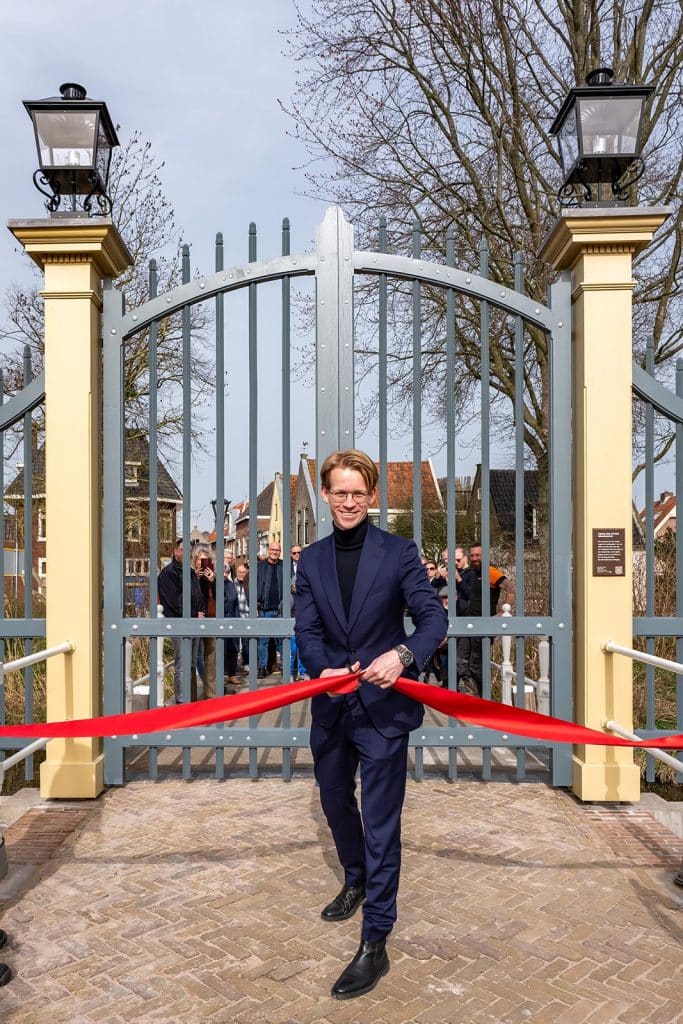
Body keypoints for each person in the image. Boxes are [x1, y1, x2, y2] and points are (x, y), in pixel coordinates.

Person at [295, 449, 447, 1000]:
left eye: (359, 492)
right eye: (340, 492)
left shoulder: (400, 553)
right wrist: (321, 667)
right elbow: (306, 631)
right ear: (327, 496)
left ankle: (375, 942)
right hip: (333, 705)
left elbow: (434, 618)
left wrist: (404, 655)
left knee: (383, 826)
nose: (350, 501)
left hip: (384, 711)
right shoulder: (310, 560)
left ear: (373, 495)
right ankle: (354, 878)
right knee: (336, 802)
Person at [457, 542, 508, 696]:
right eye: (472, 555)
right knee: (460, 661)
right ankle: (474, 696)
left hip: (484, 625)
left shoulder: (491, 572)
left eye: (477, 555)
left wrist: (504, 610)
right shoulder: (473, 573)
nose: (474, 558)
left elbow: (511, 588)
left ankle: (483, 699)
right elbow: (469, 596)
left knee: (476, 665)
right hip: (469, 624)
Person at [157, 539, 205, 703]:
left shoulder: (190, 572)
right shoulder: (168, 574)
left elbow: (198, 594)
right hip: (179, 623)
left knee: (192, 663)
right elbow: (174, 601)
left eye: (189, 550)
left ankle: (190, 698)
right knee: (182, 663)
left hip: (194, 622)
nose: (187, 554)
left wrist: (201, 610)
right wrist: (193, 612)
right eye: (183, 550)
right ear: (175, 551)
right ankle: (181, 700)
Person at [256, 542, 284, 679]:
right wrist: (255, 602)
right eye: (272, 549)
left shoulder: (285, 566)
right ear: (268, 550)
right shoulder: (259, 566)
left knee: (282, 639)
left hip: (281, 609)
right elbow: (251, 584)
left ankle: (285, 667)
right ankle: (262, 667)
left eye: (277, 550)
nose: (275, 552)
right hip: (264, 608)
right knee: (263, 640)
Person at [288, 544, 308, 680]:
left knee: (302, 644)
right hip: (290, 609)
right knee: (292, 647)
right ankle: (290, 672)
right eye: (294, 553)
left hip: (304, 608)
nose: (297, 555)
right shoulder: (286, 568)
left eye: (299, 553)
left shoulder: (307, 566)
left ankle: (302, 671)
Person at [233, 563, 250, 675]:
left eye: (243, 572)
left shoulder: (249, 583)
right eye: (239, 572)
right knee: (234, 642)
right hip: (235, 616)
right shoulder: (232, 583)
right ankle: (234, 666)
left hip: (247, 616)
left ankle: (246, 663)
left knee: (246, 642)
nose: (240, 574)